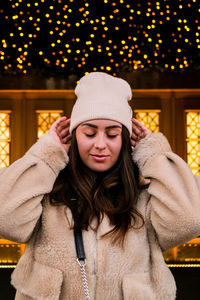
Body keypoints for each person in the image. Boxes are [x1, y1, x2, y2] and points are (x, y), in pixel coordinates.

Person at [0, 72, 200, 300]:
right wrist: (46, 156)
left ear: (126, 139)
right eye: (90, 133)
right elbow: (4, 218)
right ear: (74, 136)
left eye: (113, 134)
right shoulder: (46, 196)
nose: (100, 144)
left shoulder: (145, 199)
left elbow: (190, 221)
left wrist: (154, 155)